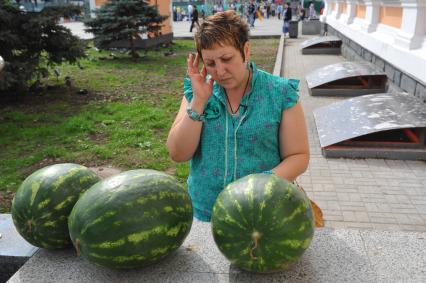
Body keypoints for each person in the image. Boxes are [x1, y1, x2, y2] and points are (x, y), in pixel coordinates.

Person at [167, 11, 309, 222]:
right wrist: (198, 102)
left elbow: (298, 156)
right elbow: (178, 153)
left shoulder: (280, 93)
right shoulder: (198, 91)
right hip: (206, 214)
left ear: (246, 49)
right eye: (211, 63)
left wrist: (258, 187)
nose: (220, 71)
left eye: (226, 59)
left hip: (262, 215)